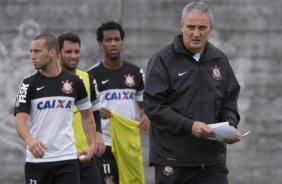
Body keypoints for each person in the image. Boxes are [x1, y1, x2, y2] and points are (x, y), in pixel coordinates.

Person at [144, 2, 241, 184]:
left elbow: (229, 101)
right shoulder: (162, 60)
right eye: (191, 27)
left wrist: (230, 126)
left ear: (211, 28)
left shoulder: (219, 59)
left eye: (202, 27)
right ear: (181, 26)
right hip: (172, 159)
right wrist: (189, 125)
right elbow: (153, 106)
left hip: (212, 161)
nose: (196, 33)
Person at [14, 33, 96, 184]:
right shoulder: (27, 84)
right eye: (31, 51)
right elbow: (20, 120)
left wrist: (92, 145)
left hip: (67, 160)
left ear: (52, 52)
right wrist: (30, 141)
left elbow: (87, 116)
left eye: (37, 51)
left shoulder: (75, 82)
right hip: (37, 161)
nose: (32, 56)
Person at [87, 21, 150, 184]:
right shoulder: (91, 75)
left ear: (122, 42)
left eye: (116, 39)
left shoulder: (136, 72)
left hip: (128, 140)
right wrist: (96, 110)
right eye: (108, 40)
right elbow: (81, 110)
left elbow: (144, 105)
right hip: (104, 141)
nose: (113, 43)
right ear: (101, 44)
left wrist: (146, 116)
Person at [57, 32, 104, 184]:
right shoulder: (49, 81)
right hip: (61, 155)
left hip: (85, 153)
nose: (73, 56)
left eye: (77, 52)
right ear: (58, 53)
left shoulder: (87, 78)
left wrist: (98, 134)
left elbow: (95, 110)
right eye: (68, 52)